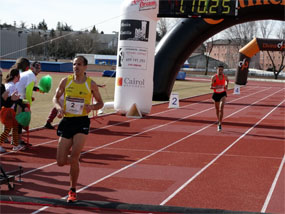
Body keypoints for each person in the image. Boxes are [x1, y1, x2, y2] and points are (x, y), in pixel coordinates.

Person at [53, 56, 103, 202]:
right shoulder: (65, 81)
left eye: (79, 64)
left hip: (81, 122)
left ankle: (72, 191)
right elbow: (55, 98)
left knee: (74, 156)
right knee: (60, 161)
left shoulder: (90, 84)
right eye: (74, 64)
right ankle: (75, 163)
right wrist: (58, 108)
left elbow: (100, 103)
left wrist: (91, 107)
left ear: (85, 67)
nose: (76, 67)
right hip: (67, 121)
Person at [0, 68, 28, 152]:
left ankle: (16, 145)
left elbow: (15, 98)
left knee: (15, 126)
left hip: (11, 110)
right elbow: (9, 99)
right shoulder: (10, 86)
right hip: (7, 110)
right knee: (8, 129)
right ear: (16, 76)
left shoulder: (12, 85)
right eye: (19, 75)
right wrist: (24, 105)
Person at [15, 60, 41, 146]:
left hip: (16, 97)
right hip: (19, 99)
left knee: (18, 121)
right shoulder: (31, 76)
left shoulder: (28, 74)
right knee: (20, 120)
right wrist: (27, 104)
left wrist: (39, 90)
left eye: (39, 67)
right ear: (31, 67)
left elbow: (30, 88)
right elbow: (28, 91)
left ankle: (17, 140)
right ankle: (17, 142)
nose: (38, 69)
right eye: (36, 67)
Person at [210, 64, 229, 132]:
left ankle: (220, 124)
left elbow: (227, 81)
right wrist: (216, 87)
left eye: (221, 70)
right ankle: (219, 120)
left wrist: (226, 85)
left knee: (221, 108)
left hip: (223, 94)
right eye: (219, 70)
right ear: (217, 70)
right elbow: (211, 87)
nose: (220, 71)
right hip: (216, 94)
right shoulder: (214, 77)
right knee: (217, 110)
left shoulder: (225, 77)